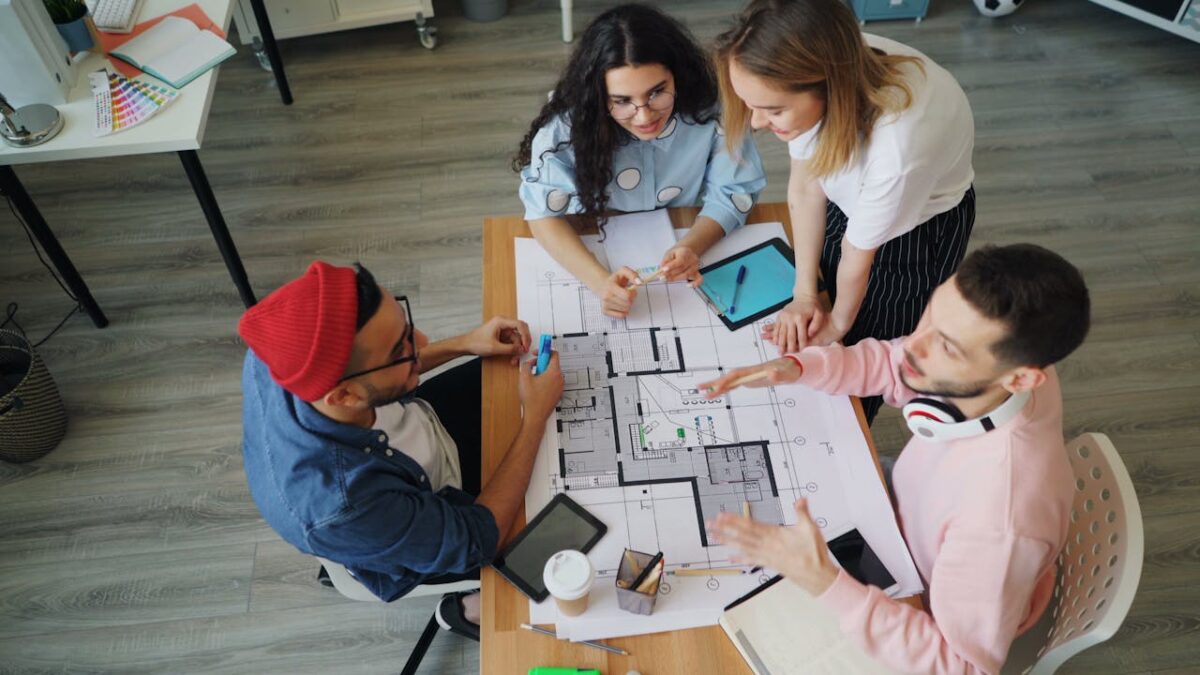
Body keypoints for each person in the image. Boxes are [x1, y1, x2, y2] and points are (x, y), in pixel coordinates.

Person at [702, 244, 1091, 674]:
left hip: (928, 611)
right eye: (931, 313)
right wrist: (802, 367)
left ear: (1020, 378)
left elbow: (961, 669)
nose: (914, 346)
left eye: (948, 347)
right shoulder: (1002, 367)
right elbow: (894, 362)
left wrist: (823, 582)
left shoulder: (1001, 523)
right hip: (906, 526)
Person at [238, 261, 564, 640]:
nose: (423, 341)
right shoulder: (345, 505)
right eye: (401, 349)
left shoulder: (285, 343)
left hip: (419, 442)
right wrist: (534, 417)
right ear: (344, 397)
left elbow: (375, 370)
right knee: (573, 539)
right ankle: (467, 609)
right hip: (425, 514)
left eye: (405, 326)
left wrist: (466, 342)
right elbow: (477, 539)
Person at [714, 0, 976, 422]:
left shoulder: (898, 150)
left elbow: (859, 253)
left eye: (773, 110)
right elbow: (805, 187)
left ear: (826, 89)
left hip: (917, 228)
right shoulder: (820, 61)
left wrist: (836, 327)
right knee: (826, 291)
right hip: (855, 188)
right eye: (750, 104)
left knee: (865, 351)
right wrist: (804, 294)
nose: (758, 123)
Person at [515, 3, 767, 319]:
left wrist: (692, 246)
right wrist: (599, 281)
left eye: (657, 92)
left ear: (677, 75)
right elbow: (542, 214)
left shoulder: (711, 106)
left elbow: (734, 192)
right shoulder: (569, 123)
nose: (644, 116)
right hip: (593, 235)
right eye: (622, 101)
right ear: (598, 95)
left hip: (681, 227)